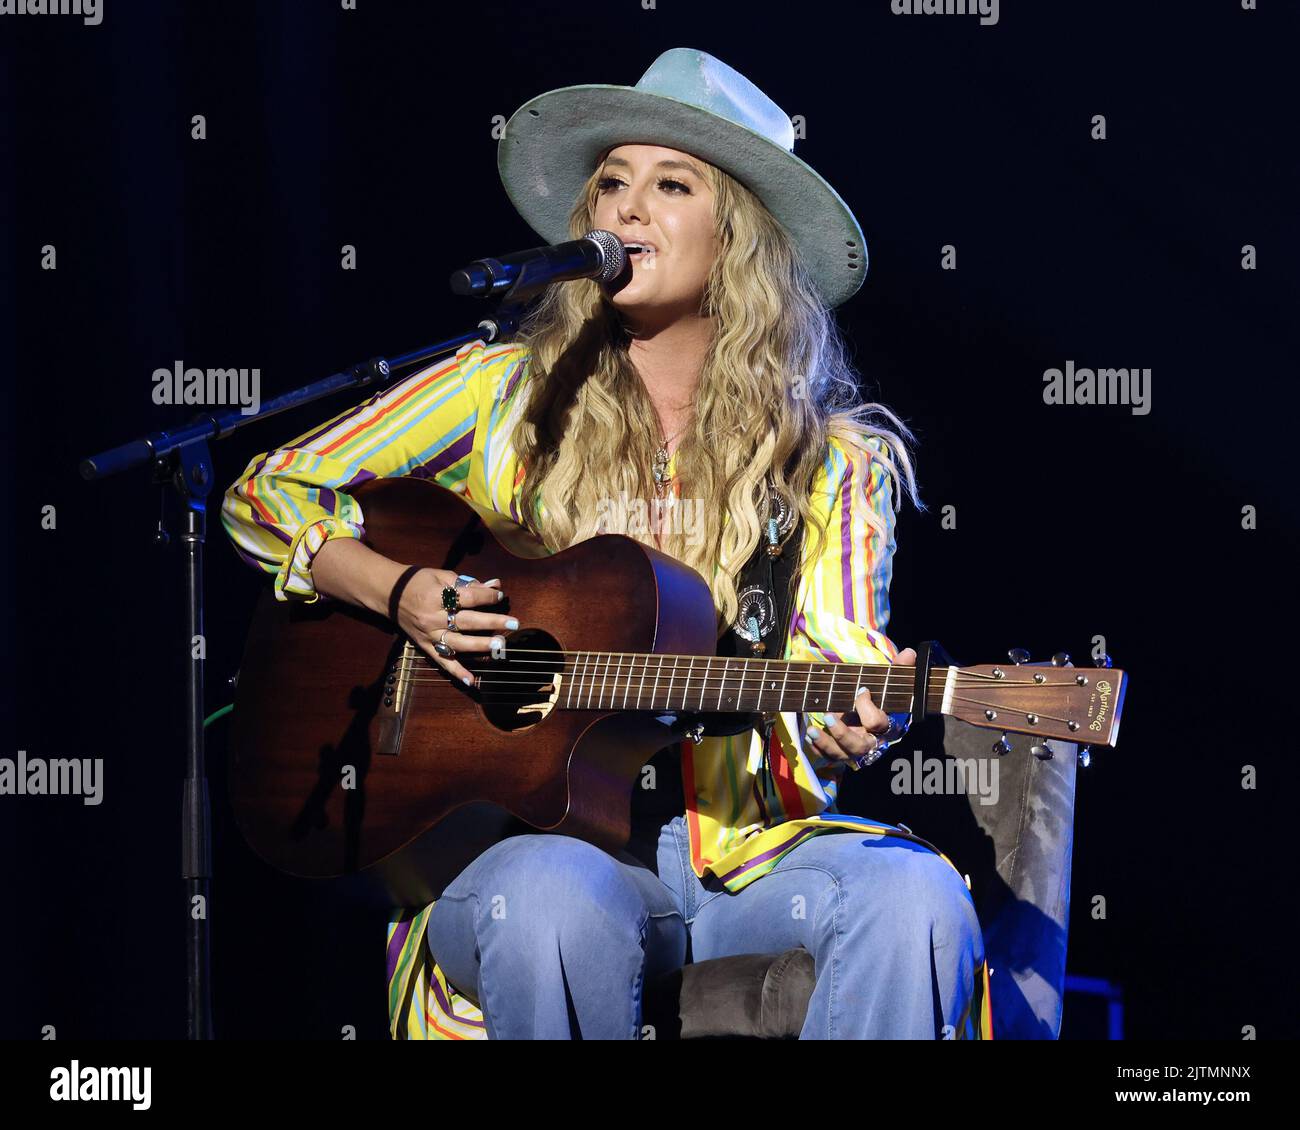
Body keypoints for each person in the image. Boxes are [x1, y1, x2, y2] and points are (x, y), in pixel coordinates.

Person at [221, 48, 990, 1040]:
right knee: (553, 895)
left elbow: (832, 656)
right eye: (612, 182)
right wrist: (401, 587)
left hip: (739, 862)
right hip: (515, 843)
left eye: (670, 184)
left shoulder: (830, 459)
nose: (626, 207)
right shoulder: (499, 397)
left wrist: (849, 714)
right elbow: (264, 489)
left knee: (914, 899)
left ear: (739, 238)